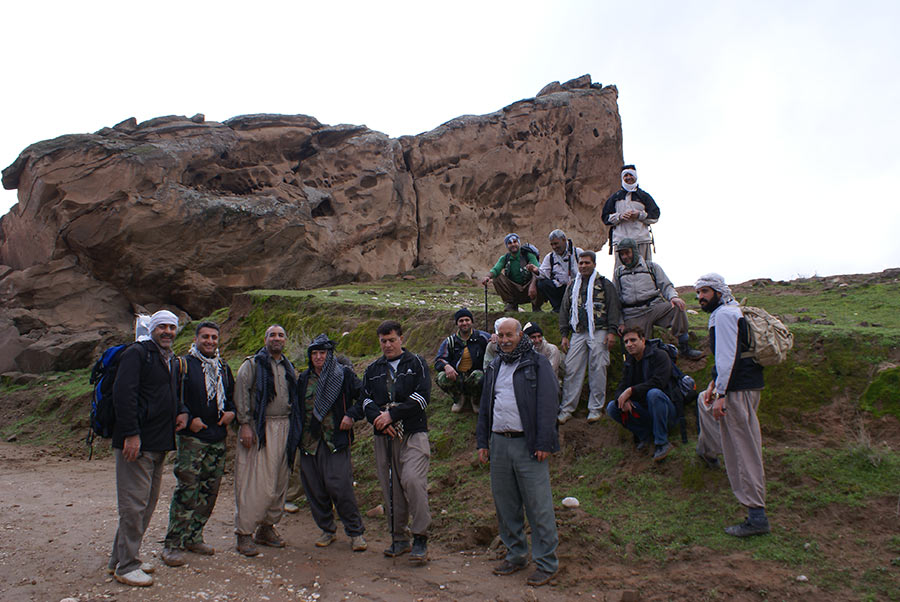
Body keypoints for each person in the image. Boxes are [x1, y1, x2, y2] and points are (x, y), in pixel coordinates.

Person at [476, 317, 560, 587]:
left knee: (539, 506)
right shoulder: (495, 365)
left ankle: (547, 563)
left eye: (509, 334)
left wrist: (544, 442)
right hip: (499, 442)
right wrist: (482, 442)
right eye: (500, 335)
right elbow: (486, 407)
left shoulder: (537, 363)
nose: (504, 340)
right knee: (506, 504)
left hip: (529, 443)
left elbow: (549, 404)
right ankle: (516, 555)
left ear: (520, 335)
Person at [108, 309, 188, 587]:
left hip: (158, 443)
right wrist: (131, 433)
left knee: (146, 504)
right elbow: (124, 393)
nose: (167, 331)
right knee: (133, 506)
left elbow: (168, 394)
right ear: (151, 328)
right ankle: (127, 565)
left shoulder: (168, 359)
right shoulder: (137, 354)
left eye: (171, 327)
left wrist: (181, 411)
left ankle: (120, 559)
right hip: (136, 444)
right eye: (162, 326)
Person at [694, 273, 770, 537]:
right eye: (698, 293)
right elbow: (732, 355)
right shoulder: (728, 312)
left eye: (705, 291)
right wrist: (714, 385)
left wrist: (723, 393)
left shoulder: (725, 315)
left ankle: (757, 516)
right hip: (740, 385)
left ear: (718, 291)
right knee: (703, 403)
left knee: (743, 449)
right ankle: (709, 452)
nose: (700, 297)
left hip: (737, 391)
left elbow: (728, 358)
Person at [161, 321, 236, 568]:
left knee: (209, 490)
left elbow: (232, 398)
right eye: (205, 337)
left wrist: (231, 413)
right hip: (193, 440)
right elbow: (174, 396)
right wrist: (188, 416)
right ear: (196, 338)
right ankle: (173, 543)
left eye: (214, 337)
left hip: (218, 438)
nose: (210, 341)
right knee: (187, 489)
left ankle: (194, 536)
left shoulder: (223, 367)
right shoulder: (183, 365)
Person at [362, 321, 432, 565]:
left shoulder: (417, 364)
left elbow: (423, 396)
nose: (388, 345)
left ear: (401, 338)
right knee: (390, 487)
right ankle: (399, 537)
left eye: (392, 339)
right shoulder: (373, 369)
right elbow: (365, 400)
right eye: (383, 341)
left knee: (413, 481)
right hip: (384, 436)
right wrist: (379, 419)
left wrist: (393, 414)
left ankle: (420, 536)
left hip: (413, 433)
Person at [296, 334, 368, 551]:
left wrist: (351, 415)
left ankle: (356, 533)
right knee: (315, 489)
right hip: (309, 442)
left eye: (322, 353)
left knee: (341, 487)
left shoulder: (343, 375)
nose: (318, 357)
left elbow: (365, 395)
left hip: (334, 441)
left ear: (329, 355)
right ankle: (327, 529)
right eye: (314, 353)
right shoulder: (303, 379)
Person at [233, 324, 299, 556]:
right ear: (265, 338)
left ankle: (266, 528)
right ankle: (244, 533)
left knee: (279, 482)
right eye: (272, 335)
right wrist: (245, 425)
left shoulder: (289, 367)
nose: (277, 338)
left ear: (285, 339)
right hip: (260, 429)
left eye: (281, 335)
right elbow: (241, 393)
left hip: (285, 428)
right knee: (255, 483)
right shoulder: (251, 365)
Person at [557, 251, 621, 424]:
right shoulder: (572, 285)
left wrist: (611, 332)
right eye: (581, 263)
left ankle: (595, 408)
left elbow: (613, 308)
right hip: (578, 332)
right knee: (571, 369)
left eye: (587, 263)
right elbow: (565, 310)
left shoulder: (605, 284)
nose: (583, 266)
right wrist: (564, 335)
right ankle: (567, 409)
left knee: (598, 368)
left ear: (594, 264)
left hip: (600, 330)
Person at [614, 238, 703, 360]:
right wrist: (621, 322)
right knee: (639, 348)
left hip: (654, 307)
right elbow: (616, 299)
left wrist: (673, 297)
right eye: (622, 254)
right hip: (632, 314)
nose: (625, 257)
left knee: (677, 307)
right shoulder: (618, 273)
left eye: (627, 252)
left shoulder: (651, 267)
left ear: (634, 251)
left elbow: (666, 285)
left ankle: (684, 347)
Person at [606, 326, 677, 462]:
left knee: (654, 394)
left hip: (666, 410)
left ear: (643, 340)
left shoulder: (660, 355)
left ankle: (662, 442)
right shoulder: (629, 362)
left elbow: (659, 383)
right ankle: (645, 436)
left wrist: (631, 391)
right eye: (626, 342)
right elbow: (621, 386)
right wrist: (623, 399)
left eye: (633, 340)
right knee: (612, 407)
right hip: (643, 410)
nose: (629, 344)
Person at [601, 164, 660, 267]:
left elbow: (655, 215)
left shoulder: (644, 196)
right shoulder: (615, 197)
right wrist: (619, 217)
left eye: (631, 175)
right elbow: (605, 218)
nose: (628, 178)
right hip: (621, 241)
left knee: (645, 269)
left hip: (641, 240)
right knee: (621, 271)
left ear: (635, 176)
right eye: (625, 175)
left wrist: (639, 215)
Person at [434, 308, 491, 413]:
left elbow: (495, 348)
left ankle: (476, 399)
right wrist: (446, 366)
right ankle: (458, 398)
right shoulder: (450, 341)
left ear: (471, 321)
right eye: (461, 321)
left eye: (467, 320)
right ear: (457, 323)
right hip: (457, 376)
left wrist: (496, 337)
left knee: (480, 376)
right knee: (441, 377)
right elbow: (439, 360)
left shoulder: (483, 337)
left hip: (475, 376)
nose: (464, 323)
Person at [481, 233, 542, 312]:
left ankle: (536, 306)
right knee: (497, 278)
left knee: (541, 279)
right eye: (510, 243)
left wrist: (533, 285)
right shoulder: (505, 258)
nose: (513, 244)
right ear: (507, 246)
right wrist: (487, 276)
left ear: (519, 243)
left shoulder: (528, 255)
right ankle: (511, 304)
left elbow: (537, 270)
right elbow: (496, 270)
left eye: (515, 242)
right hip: (514, 289)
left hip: (529, 288)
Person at [536, 229, 583, 313]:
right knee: (542, 283)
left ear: (564, 240)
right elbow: (543, 274)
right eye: (552, 244)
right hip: (559, 287)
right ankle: (557, 308)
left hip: (576, 287)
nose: (554, 247)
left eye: (556, 243)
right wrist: (535, 270)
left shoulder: (577, 252)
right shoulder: (550, 257)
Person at [523, 322, 563, 387]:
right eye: (533, 337)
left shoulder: (552, 349)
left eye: (539, 336)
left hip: (549, 385)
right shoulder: (522, 350)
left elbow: (550, 372)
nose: (537, 340)